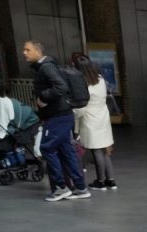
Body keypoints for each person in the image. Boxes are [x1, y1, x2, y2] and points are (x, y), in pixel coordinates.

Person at [23, 40, 90, 202]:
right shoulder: (46, 66)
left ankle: (61, 187)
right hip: (63, 114)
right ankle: (80, 187)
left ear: (38, 51)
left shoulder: (46, 67)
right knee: (67, 150)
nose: (24, 52)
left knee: (46, 148)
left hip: (57, 116)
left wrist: (43, 97)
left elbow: (61, 87)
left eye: (27, 49)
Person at [71, 54, 117, 190]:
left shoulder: (84, 84)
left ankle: (100, 181)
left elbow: (81, 106)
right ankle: (111, 180)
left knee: (96, 150)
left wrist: (74, 119)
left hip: (90, 118)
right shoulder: (100, 79)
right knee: (104, 149)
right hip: (103, 116)